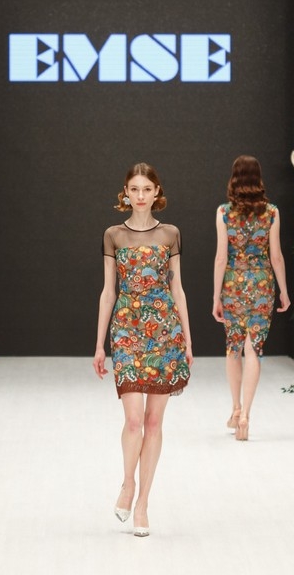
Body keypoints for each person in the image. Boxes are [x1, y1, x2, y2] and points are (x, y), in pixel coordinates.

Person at [93, 163, 193, 538]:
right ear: (126, 193)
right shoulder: (113, 235)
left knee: (153, 423)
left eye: (146, 189)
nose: (139, 195)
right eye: (134, 189)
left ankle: (143, 504)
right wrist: (99, 345)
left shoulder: (170, 233)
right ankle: (128, 482)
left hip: (164, 332)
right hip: (126, 331)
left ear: (156, 193)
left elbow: (177, 289)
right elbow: (108, 293)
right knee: (133, 420)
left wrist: (187, 340)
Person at [210, 155, 290, 440]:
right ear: (258, 178)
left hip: (233, 284)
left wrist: (216, 296)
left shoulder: (223, 212)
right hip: (261, 284)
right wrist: (283, 291)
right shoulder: (272, 212)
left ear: (234, 178)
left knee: (233, 347)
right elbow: (276, 256)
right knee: (253, 348)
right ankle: (246, 415)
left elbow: (221, 258)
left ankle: (235, 409)